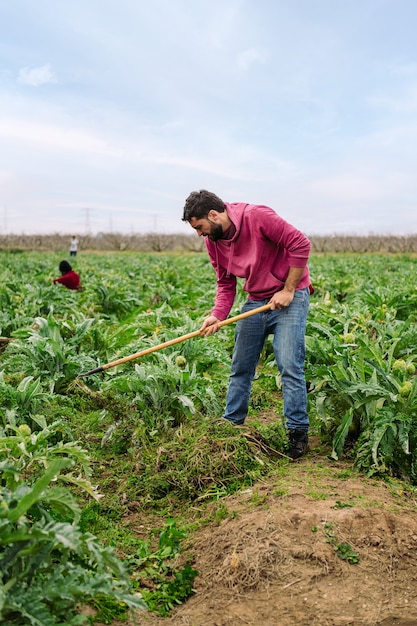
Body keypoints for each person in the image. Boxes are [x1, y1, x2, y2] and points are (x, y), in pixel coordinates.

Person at [182, 189, 312, 459]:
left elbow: (301, 244)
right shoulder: (214, 241)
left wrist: (288, 290)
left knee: (289, 365)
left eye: (200, 227)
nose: (199, 234)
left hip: (290, 296)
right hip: (256, 300)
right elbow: (226, 282)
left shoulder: (258, 216)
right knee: (240, 366)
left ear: (214, 214)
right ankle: (232, 424)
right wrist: (217, 315)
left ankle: (297, 432)